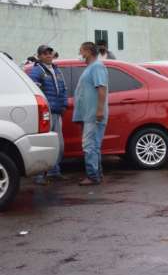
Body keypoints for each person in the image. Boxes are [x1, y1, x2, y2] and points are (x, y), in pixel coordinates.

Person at [29, 45, 68, 184]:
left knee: (59, 145)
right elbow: (35, 93)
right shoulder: (36, 71)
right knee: (43, 145)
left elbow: (63, 89)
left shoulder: (57, 70)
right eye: (45, 54)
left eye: (50, 53)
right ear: (39, 56)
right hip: (44, 115)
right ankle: (39, 176)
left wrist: (63, 105)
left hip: (57, 113)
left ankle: (54, 171)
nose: (49, 56)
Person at [73, 42, 109, 186]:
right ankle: (97, 174)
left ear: (88, 51)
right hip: (88, 115)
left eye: (81, 51)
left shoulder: (97, 67)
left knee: (89, 145)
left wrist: (99, 110)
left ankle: (93, 176)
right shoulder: (91, 67)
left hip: (93, 115)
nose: (80, 54)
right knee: (93, 145)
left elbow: (101, 88)